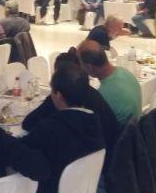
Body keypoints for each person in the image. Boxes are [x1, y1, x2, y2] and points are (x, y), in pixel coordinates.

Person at [22, 49, 120, 177]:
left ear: (58, 95)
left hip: (61, 182)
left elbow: (27, 134)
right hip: (95, 174)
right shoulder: (93, 118)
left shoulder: (51, 127)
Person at [21, 63, 106, 193]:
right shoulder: (94, 121)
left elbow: (23, 149)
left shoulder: (50, 127)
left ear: (59, 95)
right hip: (81, 191)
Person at [79, 44, 141, 125]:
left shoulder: (102, 95)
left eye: (81, 64)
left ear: (89, 67)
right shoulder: (125, 72)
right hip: (135, 128)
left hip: (119, 132)